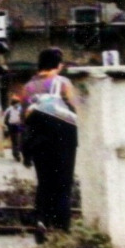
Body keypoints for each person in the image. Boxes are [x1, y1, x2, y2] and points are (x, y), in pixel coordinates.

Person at [21, 48, 81, 232]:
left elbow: (24, 117)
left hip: (38, 139)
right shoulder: (62, 83)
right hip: (62, 138)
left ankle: (42, 219)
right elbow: (77, 108)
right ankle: (61, 227)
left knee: (45, 181)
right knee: (63, 182)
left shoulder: (28, 87)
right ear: (59, 65)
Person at [3, 96, 25, 163]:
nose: (18, 104)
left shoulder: (20, 109)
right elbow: (5, 119)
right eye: (17, 103)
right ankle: (16, 154)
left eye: (18, 103)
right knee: (14, 140)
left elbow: (22, 116)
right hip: (11, 126)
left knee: (18, 140)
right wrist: (6, 127)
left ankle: (17, 153)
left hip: (18, 125)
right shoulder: (9, 109)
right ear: (13, 103)